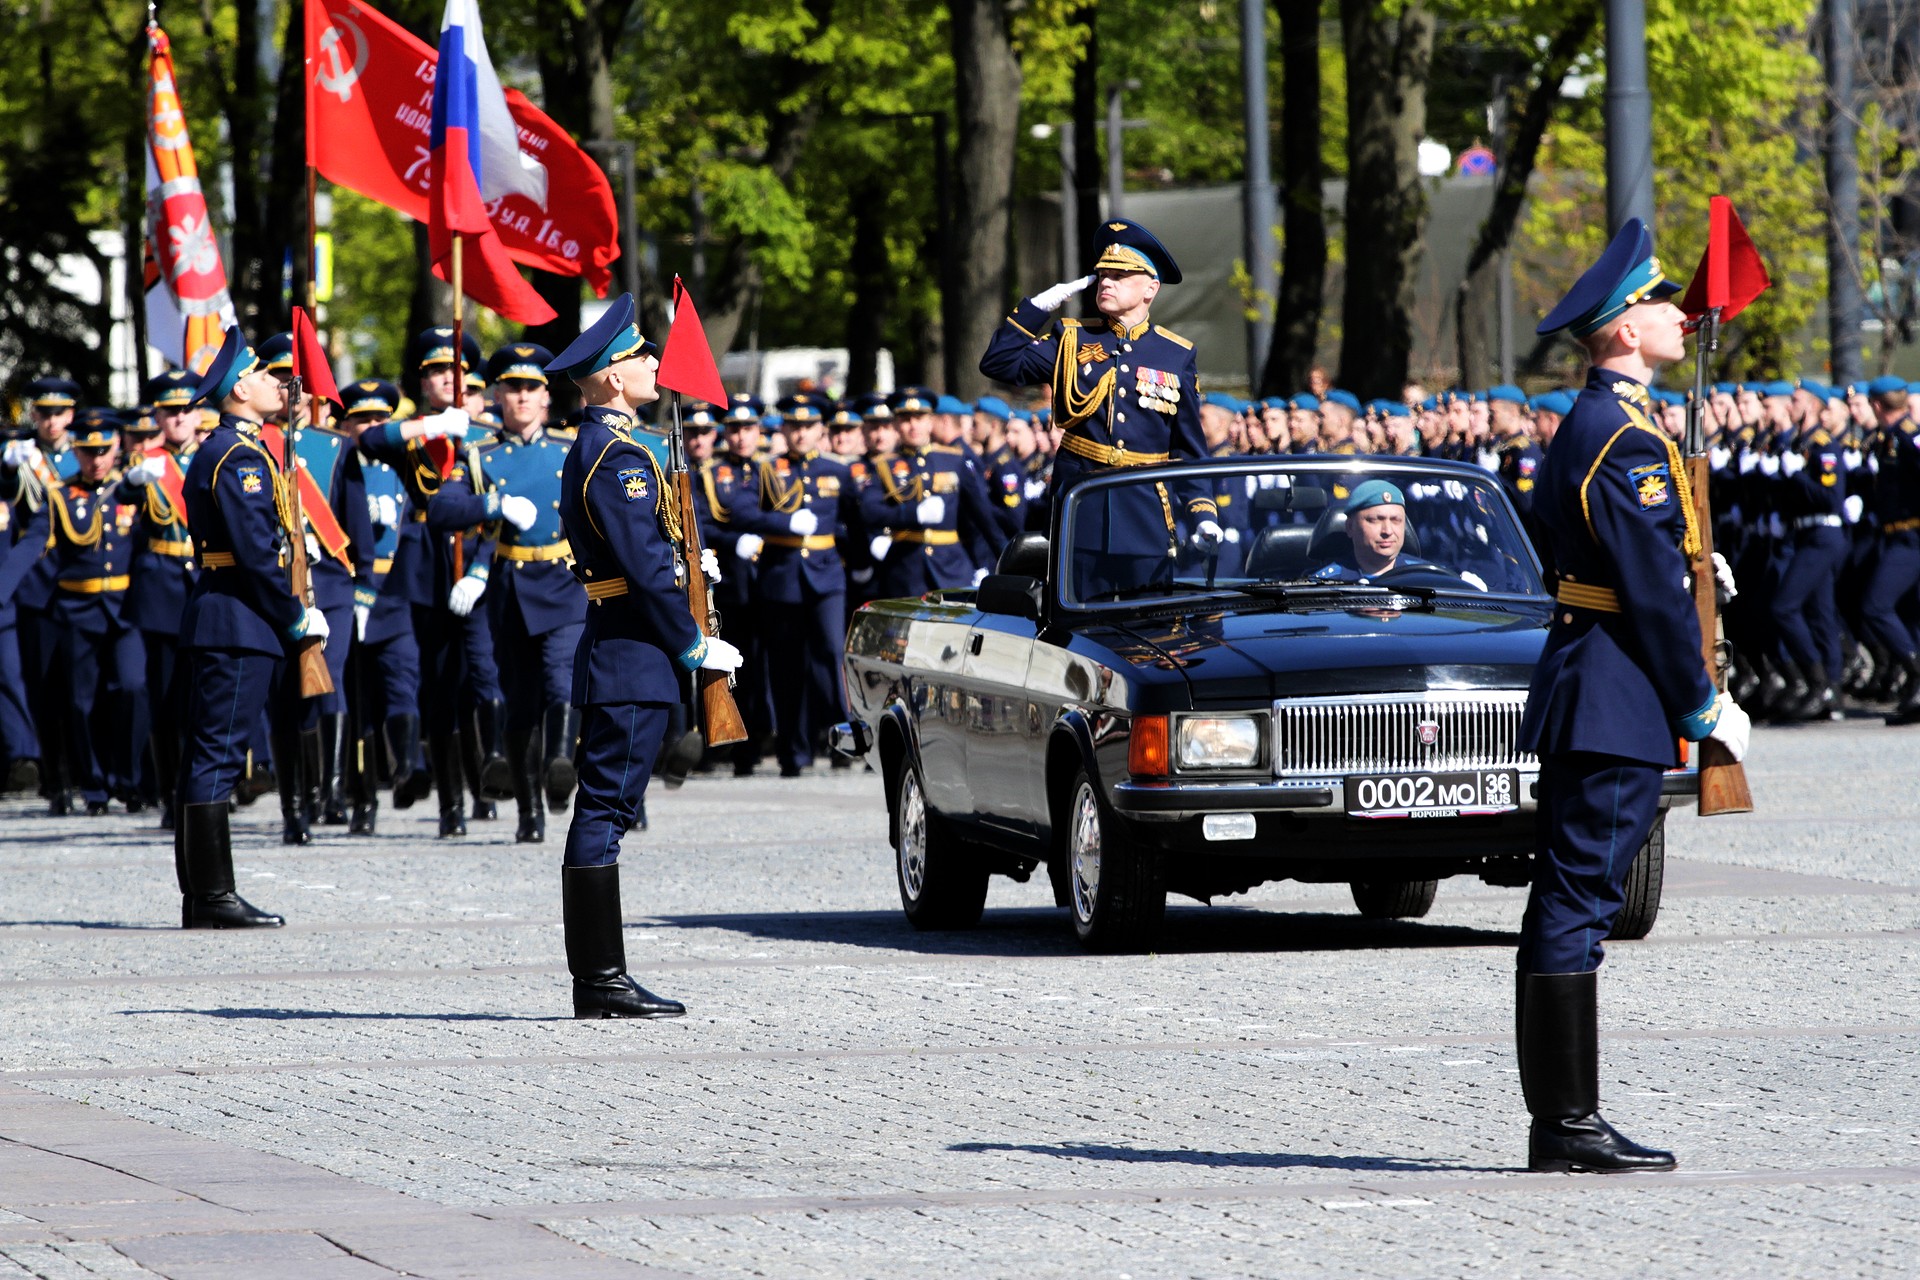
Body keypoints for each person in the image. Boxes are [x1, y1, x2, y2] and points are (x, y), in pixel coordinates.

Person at [1518, 217, 1751, 1172]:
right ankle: (1567, 1125)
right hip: (1614, 690)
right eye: (1658, 304)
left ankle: (1564, 1121)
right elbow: (1651, 595)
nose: (1678, 316)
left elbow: (1636, 561)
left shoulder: (1608, 425)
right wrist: (1702, 702)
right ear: (1620, 330)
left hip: (1592, 676)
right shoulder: (1623, 438)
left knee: (1570, 897)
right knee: (1578, 902)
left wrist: (1698, 559)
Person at [550, 293, 741, 1019]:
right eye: (638, 357)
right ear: (609, 379)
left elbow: (650, 551)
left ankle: (600, 976)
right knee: (604, 811)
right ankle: (600, 979)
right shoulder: (618, 456)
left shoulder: (614, 448)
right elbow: (637, 561)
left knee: (611, 808)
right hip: (631, 654)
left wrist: (696, 564)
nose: (655, 364)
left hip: (627, 649)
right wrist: (692, 640)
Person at [174, 326, 325, 929]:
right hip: (239, 620)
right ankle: (212, 896)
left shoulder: (238, 449)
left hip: (228, 614)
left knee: (207, 754)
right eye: (267, 374)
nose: (279, 382)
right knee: (216, 754)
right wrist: (295, 615)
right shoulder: (238, 456)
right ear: (240, 388)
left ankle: (200, 892)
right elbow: (257, 555)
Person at [977, 218, 1217, 543]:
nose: (1106, 283)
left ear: (1151, 288)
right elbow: (999, 363)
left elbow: (1188, 447)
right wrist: (1037, 307)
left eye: (1119, 276)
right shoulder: (1072, 338)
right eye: (1103, 275)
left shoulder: (1175, 354)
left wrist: (1202, 514)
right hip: (1079, 508)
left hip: (1144, 512)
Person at [428, 343, 583, 842]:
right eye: (512, 388)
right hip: (510, 586)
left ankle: (560, 766)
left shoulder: (570, 448)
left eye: (531, 388)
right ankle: (529, 813)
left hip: (563, 580)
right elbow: (442, 510)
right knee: (520, 699)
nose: (521, 397)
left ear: (545, 396)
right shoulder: (480, 456)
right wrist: (492, 502)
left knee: (562, 677)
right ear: (497, 396)